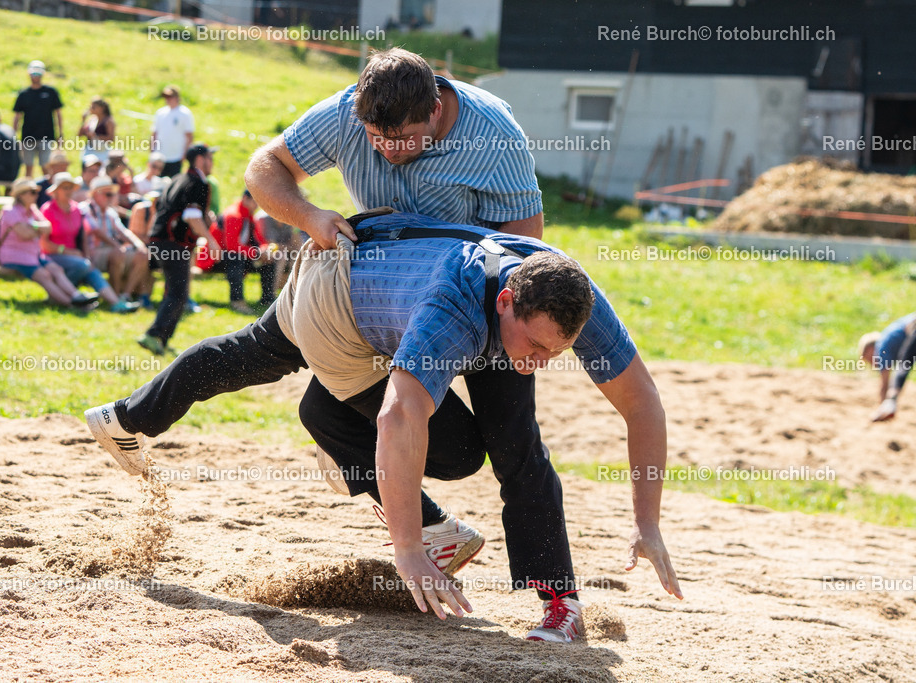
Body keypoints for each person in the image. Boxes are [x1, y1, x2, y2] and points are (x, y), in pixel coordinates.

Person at [80, 46, 580, 629]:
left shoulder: (492, 133)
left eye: (407, 140)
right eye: (376, 138)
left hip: (478, 302)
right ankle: (128, 418)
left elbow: (527, 240)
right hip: (370, 288)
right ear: (361, 114)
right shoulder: (345, 112)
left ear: (437, 110)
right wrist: (311, 216)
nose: (390, 153)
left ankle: (558, 601)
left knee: (511, 438)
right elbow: (265, 168)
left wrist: (507, 328)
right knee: (282, 373)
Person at [85, 211, 682, 640]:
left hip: (395, 271)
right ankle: (368, 478)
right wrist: (409, 551)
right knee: (413, 437)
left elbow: (643, 403)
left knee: (514, 445)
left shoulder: (565, 295)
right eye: (538, 346)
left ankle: (560, 606)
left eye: (558, 352)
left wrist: (647, 523)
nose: (542, 363)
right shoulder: (453, 311)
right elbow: (400, 415)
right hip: (338, 295)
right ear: (506, 304)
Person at [136, 144, 221, 354]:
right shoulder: (198, 183)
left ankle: (161, 340)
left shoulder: (177, 179)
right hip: (175, 243)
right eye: (210, 158)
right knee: (178, 293)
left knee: (176, 292)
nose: (212, 162)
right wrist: (211, 239)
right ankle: (153, 335)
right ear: (200, 160)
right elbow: (191, 216)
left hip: (160, 240)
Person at [39, 172, 136, 313]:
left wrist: (85, 254)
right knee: (83, 266)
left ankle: (115, 303)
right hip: (52, 256)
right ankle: (68, 297)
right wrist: (67, 252)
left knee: (90, 268)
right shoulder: (47, 210)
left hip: (76, 256)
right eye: (64, 187)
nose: (68, 191)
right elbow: (44, 245)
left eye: (70, 187)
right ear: (56, 191)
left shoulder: (76, 209)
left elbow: (84, 234)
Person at [0, 178, 96, 307]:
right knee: (44, 275)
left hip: (33, 255)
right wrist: (38, 228)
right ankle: (71, 304)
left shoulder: (32, 209)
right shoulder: (11, 211)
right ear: (21, 195)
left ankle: (76, 296)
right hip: (15, 256)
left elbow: (48, 227)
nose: (36, 195)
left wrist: (32, 227)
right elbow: (26, 235)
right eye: (32, 192)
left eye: (36, 192)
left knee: (56, 269)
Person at [82, 175, 149, 303]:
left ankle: (125, 296)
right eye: (108, 194)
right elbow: (96, 231)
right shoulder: (85, 209)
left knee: (143, 255)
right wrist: (116, 245)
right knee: (118, 253)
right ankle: (116, 297)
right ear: (96, 194)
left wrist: (138, 244)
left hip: (110, 250)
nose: (111, 198)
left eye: (112, 194)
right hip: (91, 252)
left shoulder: (110, 212)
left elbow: (123, 232)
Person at [217, 190, 275, 313]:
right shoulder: (234, 214)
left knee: (269, 260)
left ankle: (268, 299)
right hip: (215, 258)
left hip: (239, 256)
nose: (257, 205)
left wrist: (264, 250)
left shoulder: (248, 215)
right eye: (255, 201)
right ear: (245, 198)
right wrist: (257, 253)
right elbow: (231, 246)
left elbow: (259, 239)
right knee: (236, 258)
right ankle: (237, 300)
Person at [861, 313, 916, 421]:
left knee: (903, 366)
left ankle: (888, 406)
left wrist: (882, 407)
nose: (873, 365)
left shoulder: (881, 347)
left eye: (868, 359)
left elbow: (884, 384)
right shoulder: (888, 339)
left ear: (870, 349)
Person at [13, 60, 63, 178]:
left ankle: (45, 194)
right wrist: (14, 135)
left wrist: (60, 134)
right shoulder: (24, 93)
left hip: (46, 135)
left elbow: (58, 114)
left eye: (38, 74)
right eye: (33, 74)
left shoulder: (50, 92)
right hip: (28, 136)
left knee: (45, 167)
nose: (35, 77)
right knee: (28, 168)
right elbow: (17, 116)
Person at [151, 85, 194, 177]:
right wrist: (152, 150)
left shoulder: (184, 113)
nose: (167, 99)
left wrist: (185, 153)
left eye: (170, 97)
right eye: (166, 97)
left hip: (176, 156)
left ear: (176, 97)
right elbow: (155, 133)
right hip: (160, 155)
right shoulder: (160, 113)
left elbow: (189, 136)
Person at [128, 190, 160, 309]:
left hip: (157, 248)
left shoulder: (167, 211)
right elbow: (135, 234)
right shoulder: (141, 209)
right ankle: (143, 295)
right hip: (139, 247)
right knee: (146, 255)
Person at [77, 96, 115, 163]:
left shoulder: (108, 121)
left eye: (93, 107)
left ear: (102, 108)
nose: (91, 109)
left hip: (102, 152)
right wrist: (83, 120)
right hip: (89, 150)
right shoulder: (92, 119)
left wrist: (95, 136)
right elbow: (79, 135)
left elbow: (111, 139)